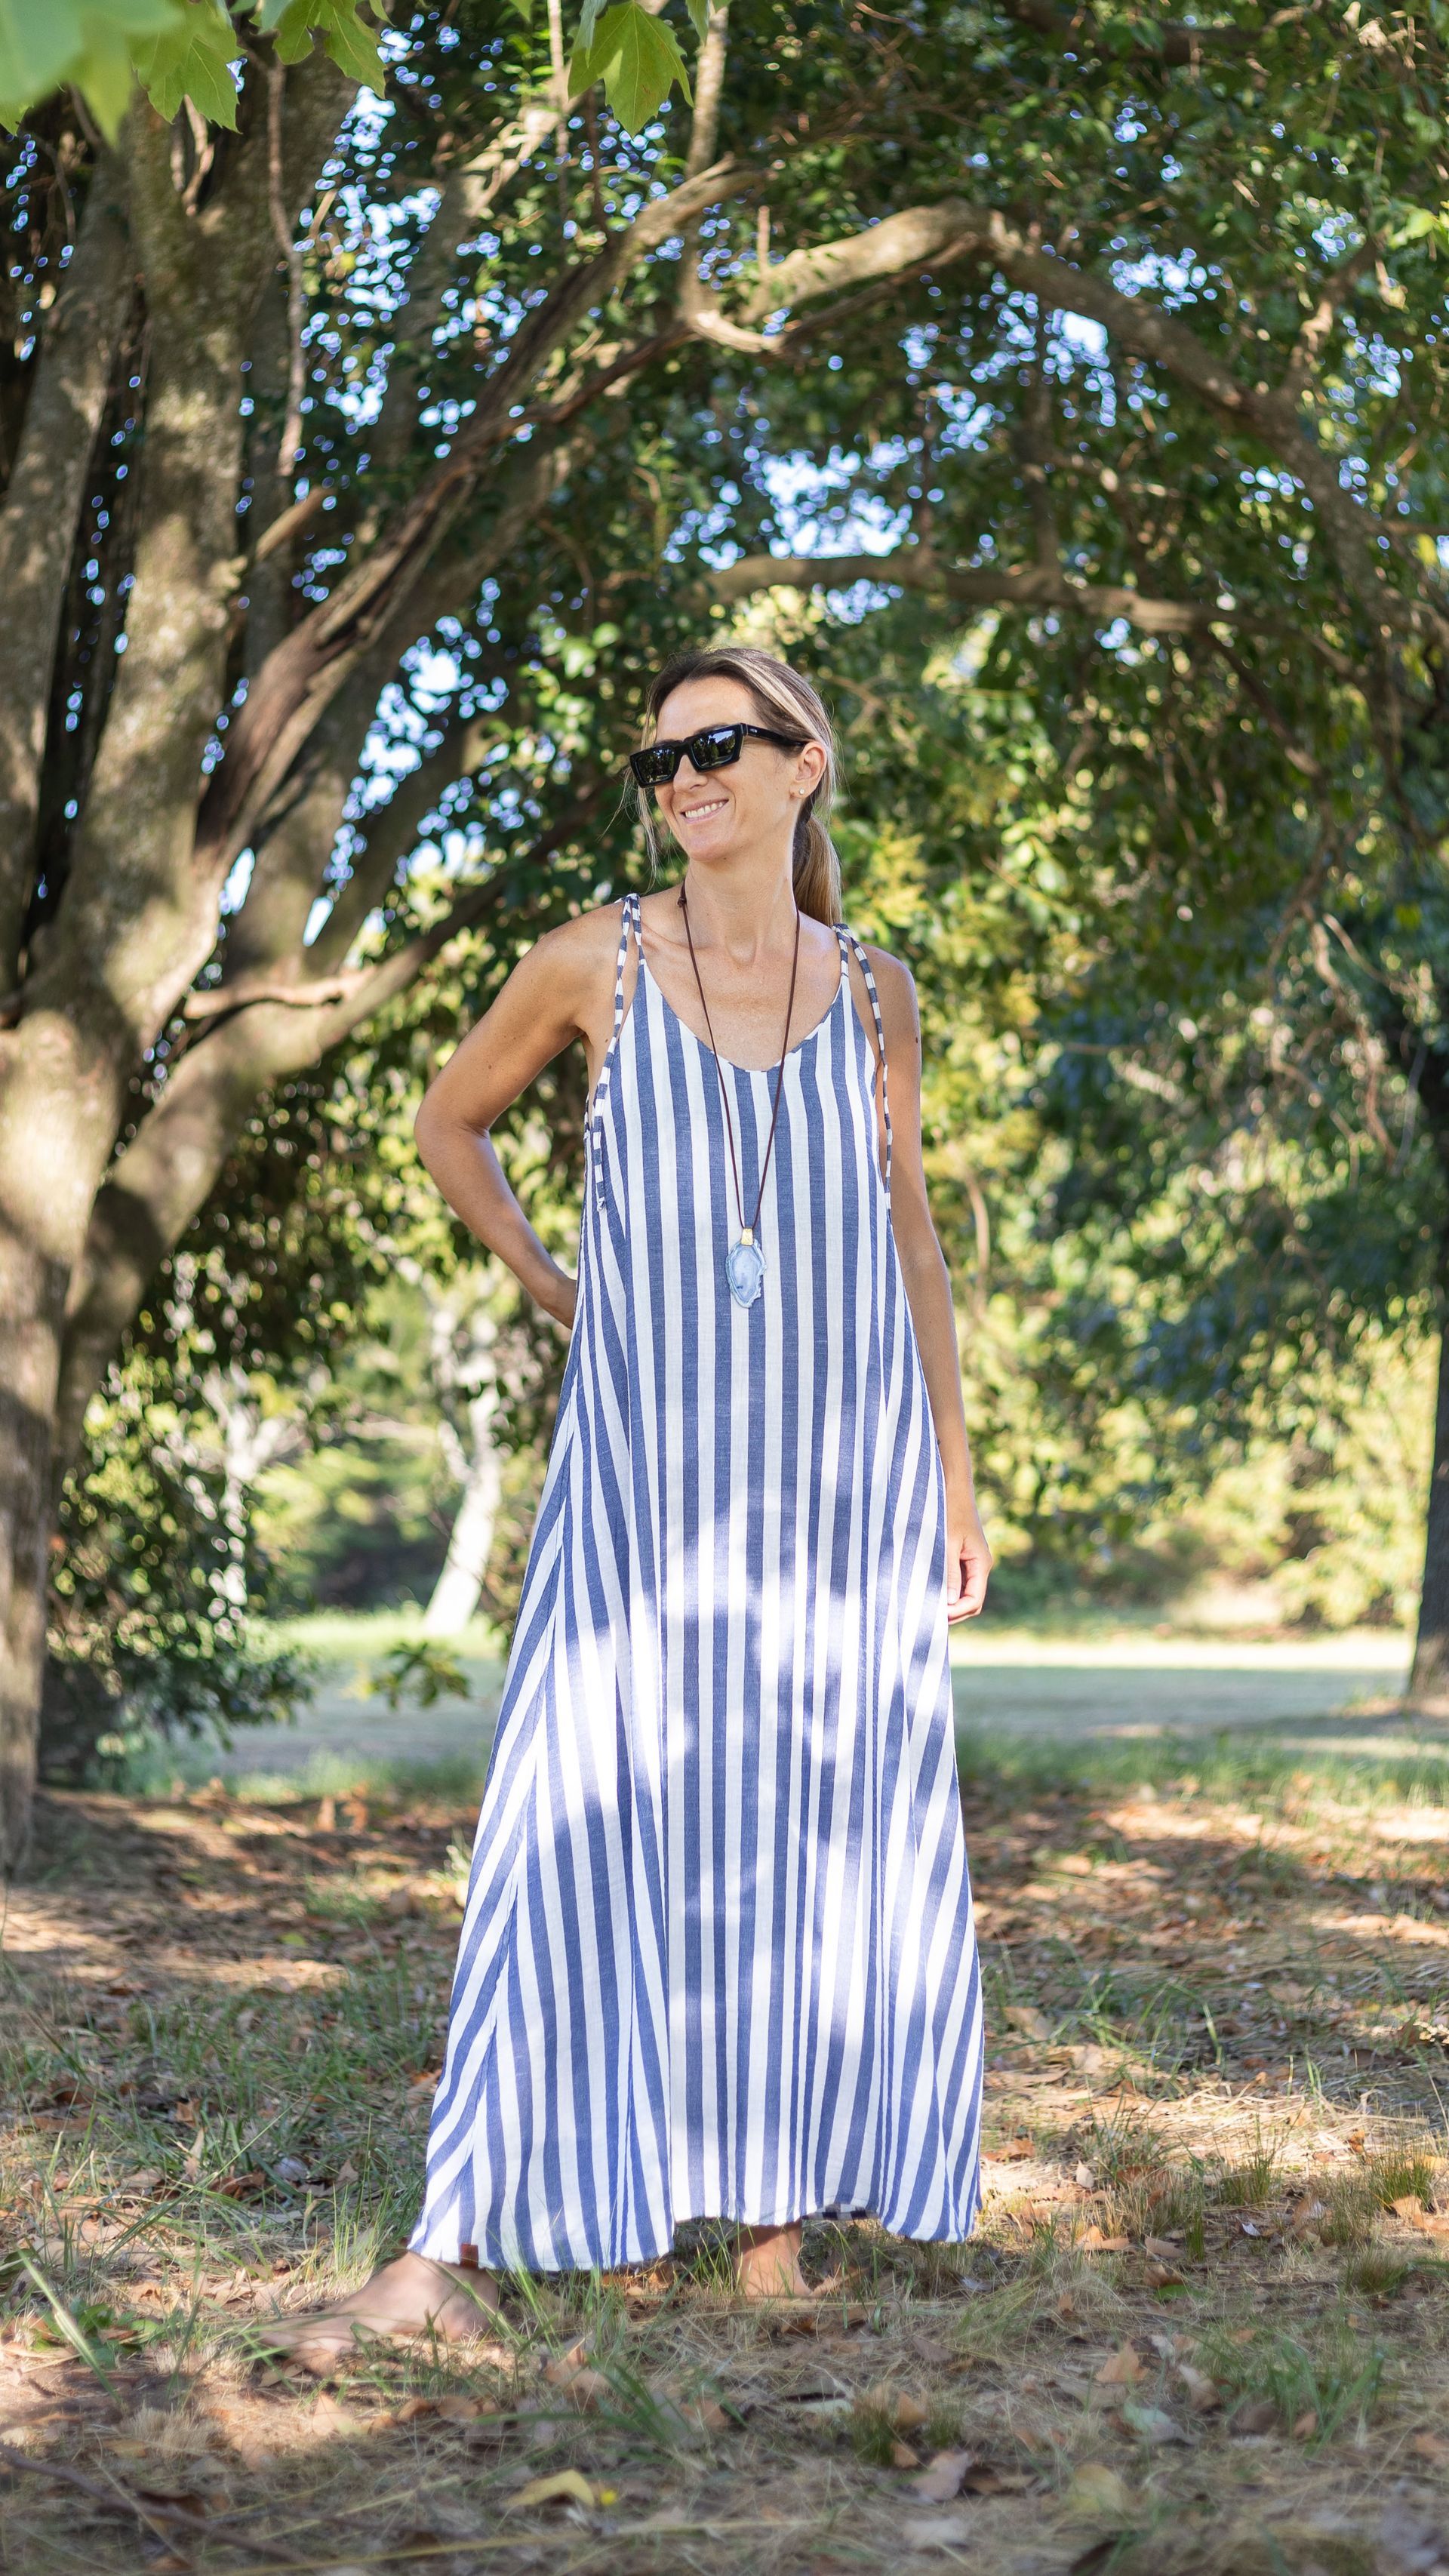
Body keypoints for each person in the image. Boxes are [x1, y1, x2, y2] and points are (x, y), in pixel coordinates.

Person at [269, 645, 991, 2367]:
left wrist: (957, 1480)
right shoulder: (594, 960)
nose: (683, 780)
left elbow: (908, 1242)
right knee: (571, 1823)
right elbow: (454, 1126)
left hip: (839, 1480)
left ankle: (762, 2232)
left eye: (717, 746)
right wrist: (548, 1282)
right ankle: (447, 2249)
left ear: (804, 765)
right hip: (645, 1479)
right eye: (660, 761)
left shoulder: (877, 991)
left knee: (807, 1823)